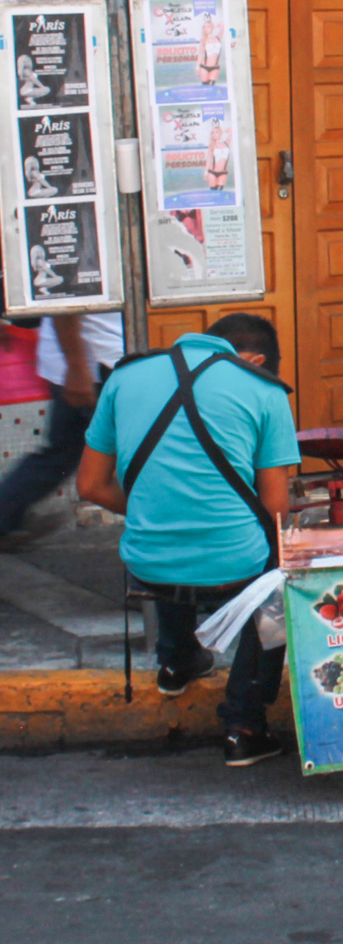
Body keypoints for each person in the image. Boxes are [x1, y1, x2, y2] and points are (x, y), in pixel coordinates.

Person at [77, 313, 299, 767]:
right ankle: (244, 727)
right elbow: (277, 510)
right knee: (278, 570)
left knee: (172, 528)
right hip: (233, 563)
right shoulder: (263, 389)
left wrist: (147, 509)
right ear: (256, 359)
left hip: (148, 562)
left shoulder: (126, 377)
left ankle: (176, 662)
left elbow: (91, 487)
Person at [0, 312, 123, 540]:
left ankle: (5, 516)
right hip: (95, 364)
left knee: (61, 453)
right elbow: (66, 304)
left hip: (93, 362)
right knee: (65, 453)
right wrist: (76, 368)